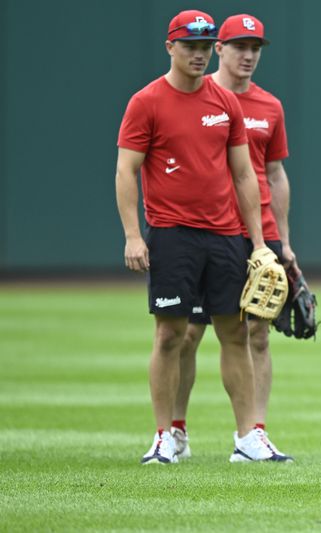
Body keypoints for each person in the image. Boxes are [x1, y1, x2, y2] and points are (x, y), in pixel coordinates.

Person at [115, 9, 276, 464]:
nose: (200, 55)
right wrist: (133, 235)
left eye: (205, 47)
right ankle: (166, 436)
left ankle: (247, 438)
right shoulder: (146, 102)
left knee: (235, 331)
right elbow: (126, 170)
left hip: (225, 235)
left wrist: (259, 241)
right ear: (170, 47)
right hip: (171, 235)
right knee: (170, 334)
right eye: (190, 46)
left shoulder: (225, 102)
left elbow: (245, 175)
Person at [169, 14, 295, 462]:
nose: (248, 55)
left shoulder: (269, 106)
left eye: (256, 47)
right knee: (187, 334)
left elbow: (275, 175)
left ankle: (253, 433)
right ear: (217, 48)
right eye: (239, 46)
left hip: (259, 232)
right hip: (213, 230)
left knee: (257, 334)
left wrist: (284, 242)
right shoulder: (204, 98)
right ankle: (175, 431)